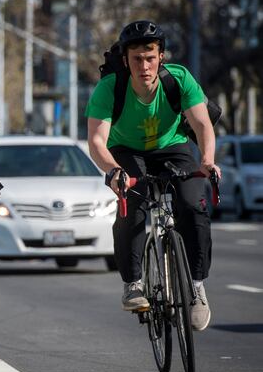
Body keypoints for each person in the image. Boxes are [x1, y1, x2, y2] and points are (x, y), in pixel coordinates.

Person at [86, 20, 221, 331]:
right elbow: (96, 140)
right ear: (125, 60)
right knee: (132, 206)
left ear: (161, 57)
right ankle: (132, 284)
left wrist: (208, 160)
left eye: (150, 57)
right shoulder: (110, 88)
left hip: (172, 146)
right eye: (136, 59)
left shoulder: (179, 79)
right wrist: (113, 171)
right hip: (125, 151)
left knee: (193, 206)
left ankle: (197, 288)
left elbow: (202, 126)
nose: (143, 66)